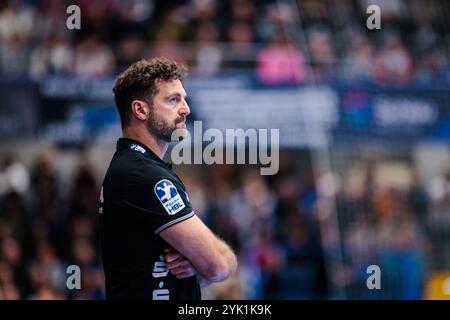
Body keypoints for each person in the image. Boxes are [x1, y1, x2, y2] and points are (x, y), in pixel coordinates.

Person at [99, 58, 237, 300]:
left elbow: (212, 267)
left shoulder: (132, 166)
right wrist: (207, 261)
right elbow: (218, 266)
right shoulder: (145, 175)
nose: (186, 108)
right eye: (173, 99)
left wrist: (198, 264)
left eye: (183, 98)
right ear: (140, 110)